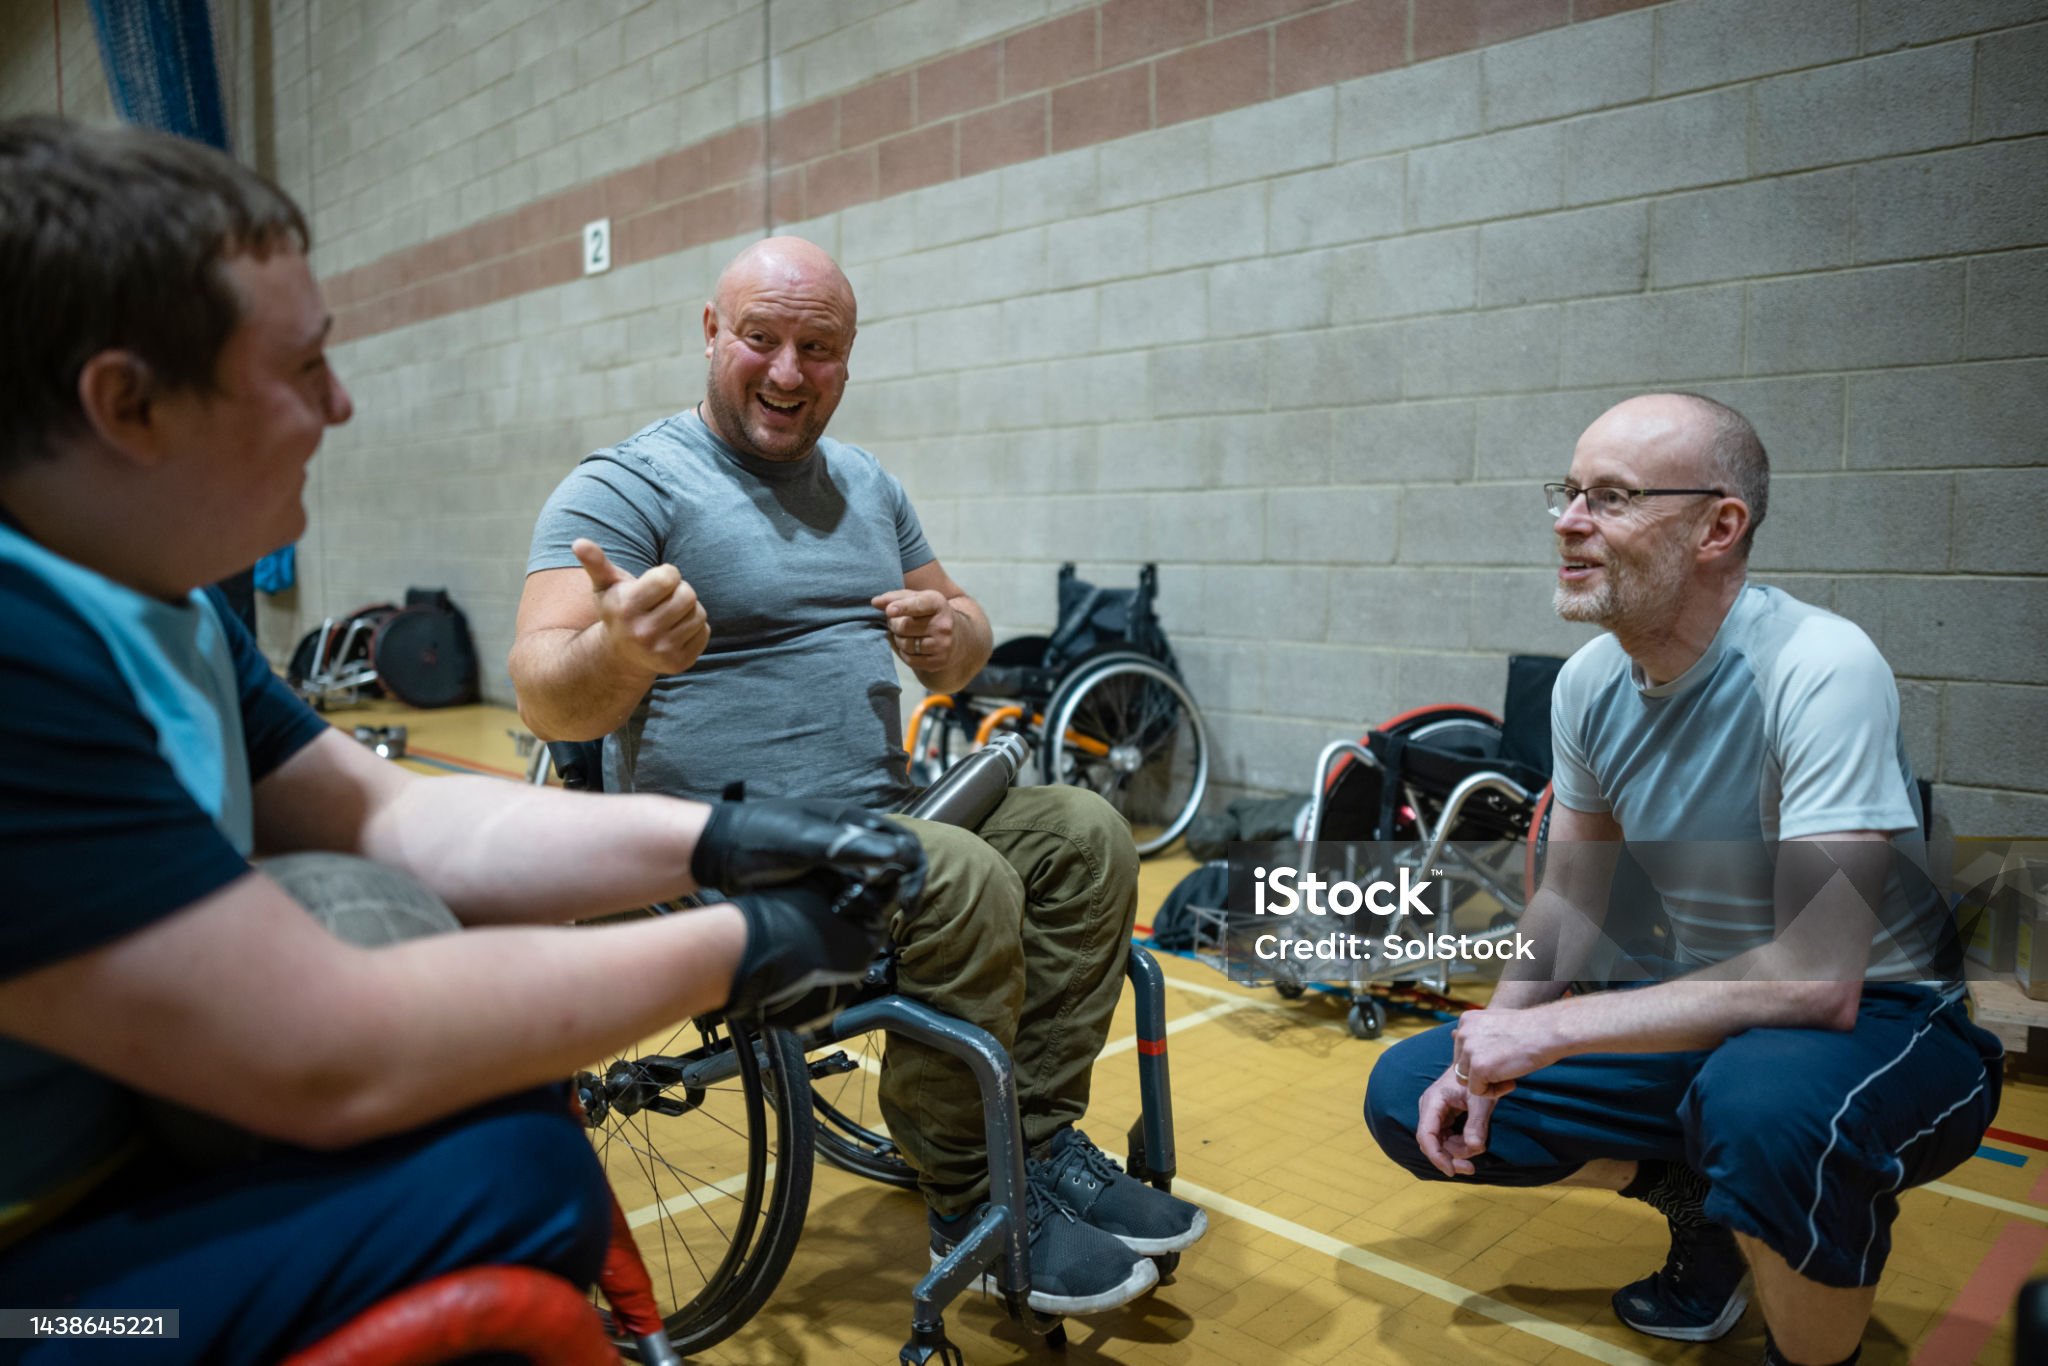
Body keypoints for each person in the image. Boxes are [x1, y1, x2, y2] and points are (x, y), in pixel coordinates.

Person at [0, 117, 925, 1363]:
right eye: (304, 365)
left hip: (112, 1157)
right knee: (519, 1171)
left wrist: (725, 841)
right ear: (127, 402)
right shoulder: (19, 652)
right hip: (31, 1293)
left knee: (487, 1092)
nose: (340, 402)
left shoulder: (154, 595)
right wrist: (748, 943)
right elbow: (325, 1046)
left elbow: (397, 814)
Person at [510, 235, 1205, 1314]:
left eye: (817, 347)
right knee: (960, 876)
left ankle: (1033, 1143)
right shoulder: (625, 485)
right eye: (760, 338)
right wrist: (622, 650)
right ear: (710, 333)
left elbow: (965, 630)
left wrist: (948, 634)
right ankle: (976, 1200)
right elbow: (542, 692)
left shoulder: (869, 488)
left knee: (1084, 831)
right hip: (720, 857)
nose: (788, 371)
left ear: (846, 360)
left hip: (880, 823)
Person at [1363, 393, 2001, 1366]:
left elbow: (1816, 980)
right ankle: (1704, 1208)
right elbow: (1571, 898)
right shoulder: (1588, 685)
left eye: (1610, 498)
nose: (1567, 521)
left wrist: (1546, 1027)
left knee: (1761, 1108)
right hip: (1714, 1009)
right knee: (1413, 1086)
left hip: (1885, 1019)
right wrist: (1487, 1049)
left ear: (1718, 526)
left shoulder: (1819, 665)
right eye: (1567, 493)